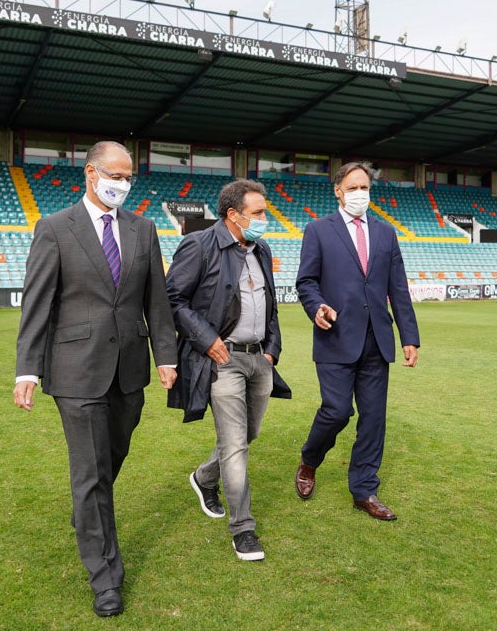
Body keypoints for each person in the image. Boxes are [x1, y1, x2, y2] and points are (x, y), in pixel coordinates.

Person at [13, 141, 178, 618]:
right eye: (116, 175)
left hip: (129, 369)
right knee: (90, 472)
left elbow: (157, 302)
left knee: (110, 460)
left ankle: (86, 514)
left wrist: (164, 355)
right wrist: (27, 367)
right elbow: (37, 302)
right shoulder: (55, 228)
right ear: (91, 173)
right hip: (74, 371)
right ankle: (105, 576)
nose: (123, 185)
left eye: (129, 178)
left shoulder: (144, 229)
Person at [294, 161, 420, 521]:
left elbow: (398, 287)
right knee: (337, 411)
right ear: (338, 191)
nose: (360, 194)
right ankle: (310, 459)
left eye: (365, 187)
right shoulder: (318, 230)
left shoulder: (386, 232)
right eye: (353, 187)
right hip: (335, 337)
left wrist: (408, 336)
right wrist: (316, 306)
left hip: (376, 340)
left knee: (373, 419)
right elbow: (306, 282)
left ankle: (364, 490)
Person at [165, 179, 284, 561]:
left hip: (259, 360)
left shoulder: (261, 248)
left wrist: (271, 351)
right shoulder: (198, 245)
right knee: (235, 444)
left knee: (248, 435)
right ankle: (243, 529)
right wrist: (208, 340)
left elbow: (271, 304)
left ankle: (203, 478)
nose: (266, 219)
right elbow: (172, 299)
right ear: (233, 215)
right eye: (259, 213)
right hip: (222, 360)